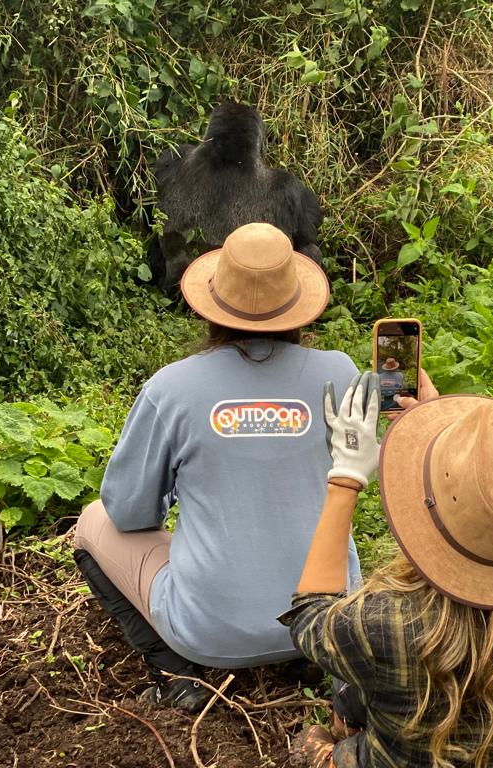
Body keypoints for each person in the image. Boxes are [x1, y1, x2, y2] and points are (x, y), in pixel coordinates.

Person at [72, 223, 362, 712]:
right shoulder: (341, 373)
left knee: (92, 522)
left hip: (208, 632)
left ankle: (176, 677)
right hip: (329, 622)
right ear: (297, 307)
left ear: (211, 307)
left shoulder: (172, 388)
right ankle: (303, 659)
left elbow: (128, 513)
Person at [282, 372, 493, 767]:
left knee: (322, 734)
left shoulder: (382, 625)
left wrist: (346, 478)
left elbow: (310, 614)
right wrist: (446, 436)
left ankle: (343, 732)